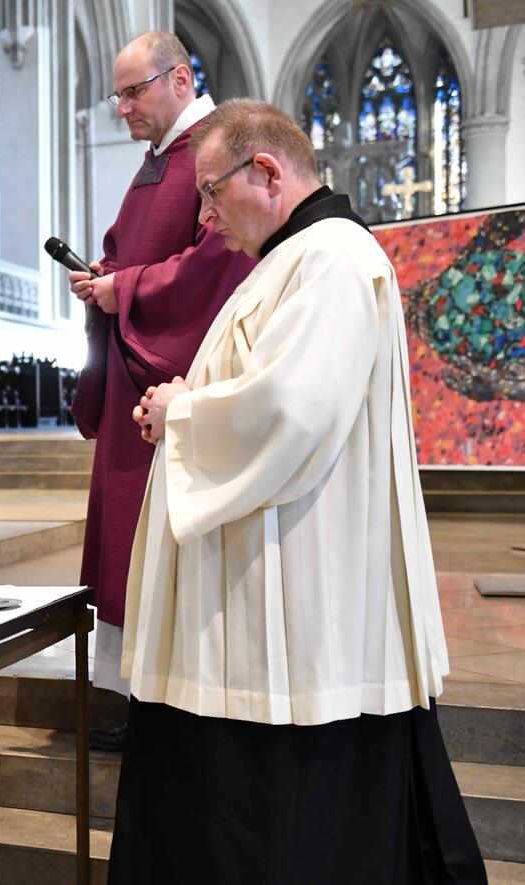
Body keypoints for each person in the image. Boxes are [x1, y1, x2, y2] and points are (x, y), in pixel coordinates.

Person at [109, 99, 483, 883]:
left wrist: (184, 412)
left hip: (302, 593)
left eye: (211, 193)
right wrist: (194, 400)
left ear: (268, 172)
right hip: (255, 583)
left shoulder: (334, 259)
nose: (206, 217)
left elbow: (291, 411)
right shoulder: (292, 258)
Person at [67, 31, 255, 751]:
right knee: (125, 541)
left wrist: (128, 287)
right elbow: (134, 248)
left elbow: (217, 260)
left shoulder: (213, 152)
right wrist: (105, 277)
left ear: (178, 79)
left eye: (131, 91)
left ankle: (173, 703)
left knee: (162, 537)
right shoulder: (156, 163)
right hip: (129, 374)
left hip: (170, 383)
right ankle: (142, 695)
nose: (121, 107)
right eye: (117, 94)